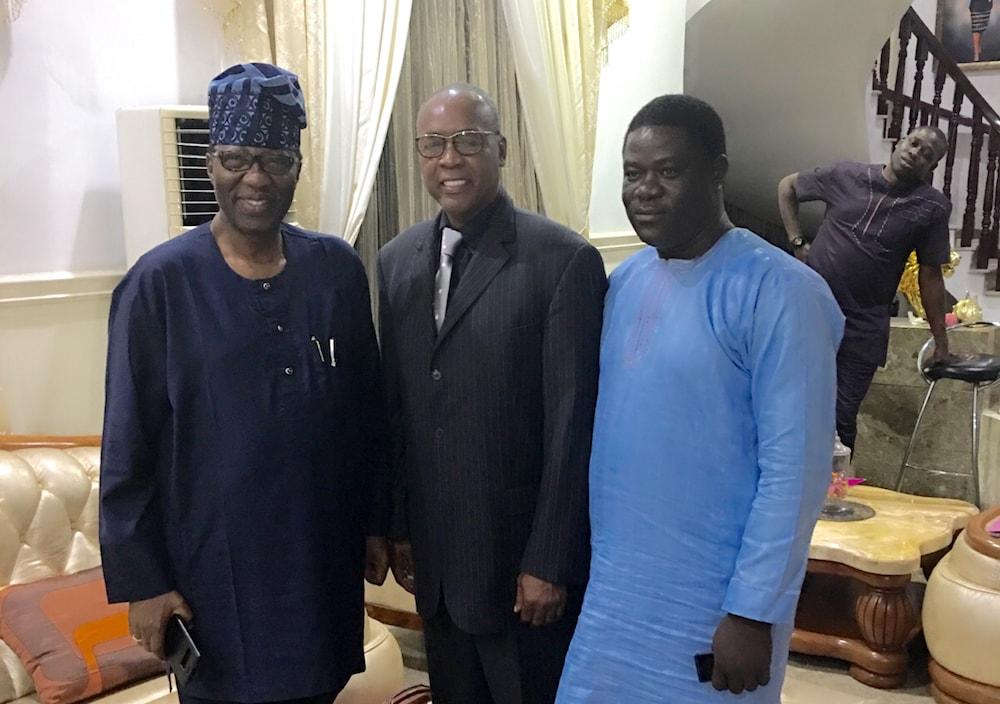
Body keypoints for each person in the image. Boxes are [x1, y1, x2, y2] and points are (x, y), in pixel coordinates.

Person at [99, 62, 389, 704]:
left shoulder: (335, 270)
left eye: (274, 160)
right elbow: (127, 445)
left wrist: (375, 522)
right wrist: (144, 583)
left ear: (297, 169)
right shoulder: (159, 284)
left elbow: (366, 416)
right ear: (211, 164)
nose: (255, 178)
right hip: (213, 579)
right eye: (236, 159)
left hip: (319, 563)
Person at [555, 94, 844, 703]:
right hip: (616, 594)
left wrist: (753, 611)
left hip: (714, 602)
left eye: (668, 171)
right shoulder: (626, 282)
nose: (645, 190)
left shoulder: (782, 292)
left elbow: (796, 471)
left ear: (717, 173)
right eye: (632, 173)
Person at [377, 84, 606, 704]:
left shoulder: (562, 260)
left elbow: (573, 424)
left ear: (501, 149)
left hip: (520, 571)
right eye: (432, 143)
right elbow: (398, 410)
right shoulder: (395, 261)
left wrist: (550, 560)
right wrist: (397, 527)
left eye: (468, 141)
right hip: (438, 567)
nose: (449, 158)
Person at [778, 125, 952, 452]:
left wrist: (941, 339)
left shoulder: (932, 208)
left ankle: (836, 485)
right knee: (790, 409)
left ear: (932, 166)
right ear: (901, 141)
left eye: (927, 154)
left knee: (841, 421)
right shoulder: (845, 175)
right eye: (914, 143)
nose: (916, 153)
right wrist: (797, 242)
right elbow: (787, 186)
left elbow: (931, 275)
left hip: (864, 329)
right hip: (811, 316)